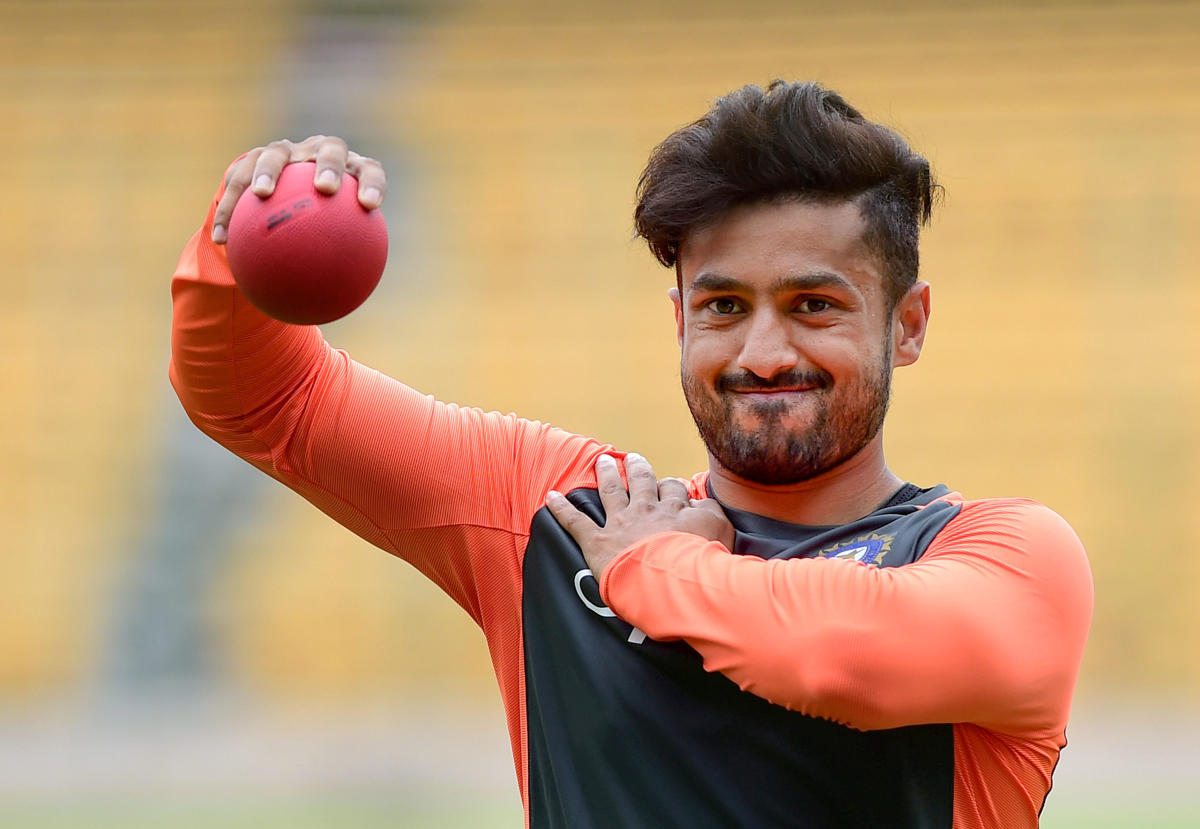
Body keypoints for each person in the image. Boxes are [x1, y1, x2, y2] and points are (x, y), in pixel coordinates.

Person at [172, 80, 1093, 828]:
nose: (762, 353)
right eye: (724, 306)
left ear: (909, 323)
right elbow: (266, 397)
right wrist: (245, 231)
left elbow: (844, 662)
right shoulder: (561, 513)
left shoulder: (1007, 556)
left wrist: (655, 565)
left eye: (815, 305)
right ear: (682, 317)